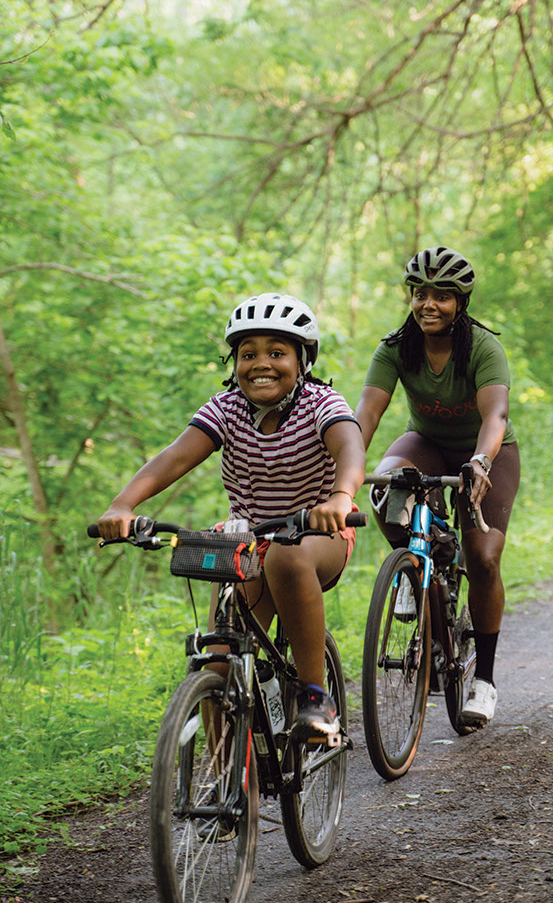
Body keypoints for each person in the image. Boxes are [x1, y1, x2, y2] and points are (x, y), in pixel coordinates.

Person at [97, 292, 366, 741]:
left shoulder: (322, 403)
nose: (261, 363)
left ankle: (316, 698)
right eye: (248, 354)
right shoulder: (226, 409)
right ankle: (234, 795)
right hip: (250, 537)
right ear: (234, 362)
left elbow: (349, 447)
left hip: (320, 533)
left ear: (302, 361)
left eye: (277, 353)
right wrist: (123, 504)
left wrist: (340, 497)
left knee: (287, 557)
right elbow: (174, 458)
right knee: (220, 656)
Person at [355, 246, 519, 726]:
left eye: (441, 296)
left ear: (460, 301)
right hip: (425, 441)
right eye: (420, 294)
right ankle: (419, 562)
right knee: (386, 491)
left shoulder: (483, 347)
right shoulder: (395, 348)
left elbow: (496, 416)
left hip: (486, 453)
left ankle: (484, 682)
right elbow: (366, 412)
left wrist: (480, 461)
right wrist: (343, 469)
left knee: (485, 558)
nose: (429, 304)